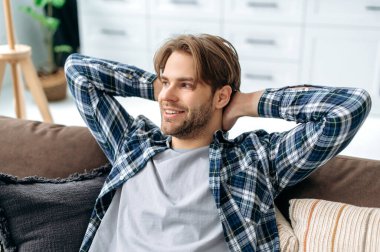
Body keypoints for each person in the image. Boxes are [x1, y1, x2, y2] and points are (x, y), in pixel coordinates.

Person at [64, 34, 371, 252]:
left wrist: (247, 103)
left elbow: (347, 109)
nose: (166, 97)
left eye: (186, 85)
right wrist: (160, 85)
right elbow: (78, 72)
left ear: (221, 96)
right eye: (165, 81)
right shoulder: (132, 143)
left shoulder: (253, 160)